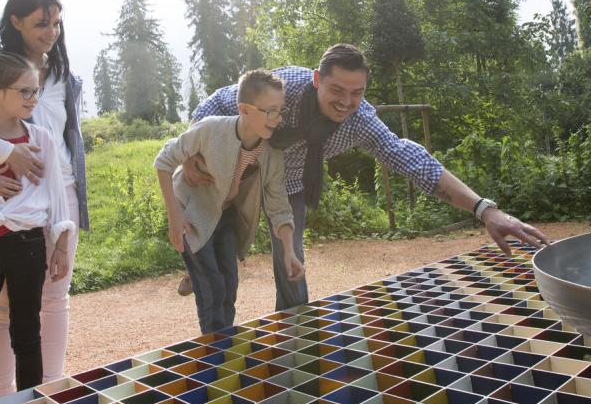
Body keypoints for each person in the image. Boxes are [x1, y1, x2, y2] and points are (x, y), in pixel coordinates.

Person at [181, 44, 549, 310]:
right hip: (235, 173)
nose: (345, 101)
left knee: (291, 263)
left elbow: (412, 160)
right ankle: (210, 300)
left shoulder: (360, 120)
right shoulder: (285, 88)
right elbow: (216, 104)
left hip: (287, 185)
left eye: (356, 93)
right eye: (336, 90)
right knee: (220, 268)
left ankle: (294, 336)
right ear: (315, 81)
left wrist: (484, 209)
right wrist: (195, 151)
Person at [0, 0, 88, 397]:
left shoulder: (65, 75)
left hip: (58, 191)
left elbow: (66, 139)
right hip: (8, 193)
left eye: (57, 23)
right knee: (3, 311)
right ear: (15, 21)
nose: (51, 32)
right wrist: (8, 157)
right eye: (40, 23)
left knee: (54, 297)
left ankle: (48, 396)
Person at [154, 70, 304, 334]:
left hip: (226, 215)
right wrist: (174, 216)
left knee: (229, 284)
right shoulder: (211, 128)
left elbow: (279, 206)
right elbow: (164, 161)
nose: (277, 120)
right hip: (194, 213)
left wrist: (289, 251)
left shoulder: (271, 154)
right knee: (213, 286)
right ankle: (215, 350)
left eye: (280, 111)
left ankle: (223, 339)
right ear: (245, 110)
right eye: (270, 111)